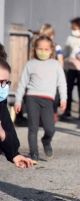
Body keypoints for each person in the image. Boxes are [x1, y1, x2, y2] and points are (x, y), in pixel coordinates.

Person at [14, 36, 67, 164]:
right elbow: (22, 84)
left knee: (50, 129)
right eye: (40, 48)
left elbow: (62, 83)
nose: (43, 51)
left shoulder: (55, 64)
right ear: (35, 49)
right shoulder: (30, 64)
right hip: (32, 98)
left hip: (48, 100)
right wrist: (17, 100)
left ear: (51, 50)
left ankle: (46, 141)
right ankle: (34, 154)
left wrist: (63, 98)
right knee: (33, 127)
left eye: (46, 49)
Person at [0, 44, 33, 168]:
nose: (3, 87)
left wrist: (14, 154)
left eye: (5, 82)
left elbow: (10, 134)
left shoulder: (1, 101)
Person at [38, 24, 64, 121]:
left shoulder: (56, 47)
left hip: (52, 76)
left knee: (53, 96)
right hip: (41, 75)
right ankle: (41, 117)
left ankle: (53, 112)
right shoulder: (38, 47)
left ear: (52, 36)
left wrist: (59, 73)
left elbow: (60, 60)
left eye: (46, 36)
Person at [62, 17, 80, 119]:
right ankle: (67, 111)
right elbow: (65, 52)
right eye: (72, 28)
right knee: (68, 89)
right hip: (70, 67)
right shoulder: (69, 39)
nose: (73, 30)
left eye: (75, 28)